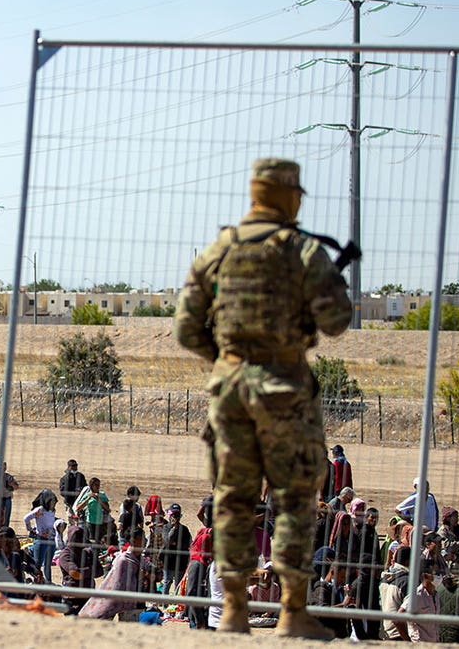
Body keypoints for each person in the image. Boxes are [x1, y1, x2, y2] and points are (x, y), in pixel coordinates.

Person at [173, 158, 352, 637]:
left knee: (233, 497)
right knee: (294, 497)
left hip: (229, 392)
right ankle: (292, 613)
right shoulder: (301, 250)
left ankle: (232, 609)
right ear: (288, 197)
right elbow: (337, 319)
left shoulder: (219, 249)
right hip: (284, 389)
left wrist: (227, 359)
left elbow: (186, 328)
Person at [23, 489, 58, 583]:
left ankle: (48, 583)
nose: (54, 502)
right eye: (52, 500)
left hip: (51, 540)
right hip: (41, 540)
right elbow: (26, 518)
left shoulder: (52, 511)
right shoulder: (40, 510)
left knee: (48, 565)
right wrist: (30, 528)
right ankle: (37, 583)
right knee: (37, 565)